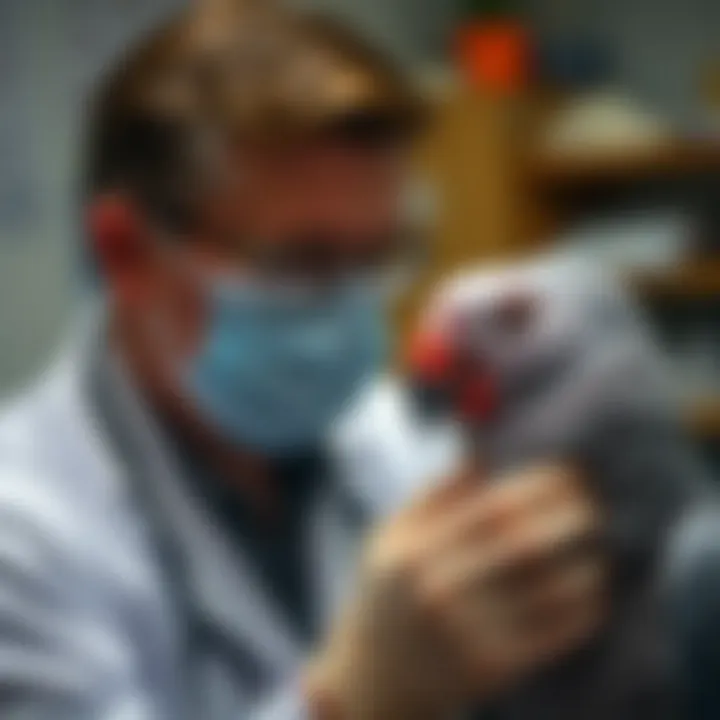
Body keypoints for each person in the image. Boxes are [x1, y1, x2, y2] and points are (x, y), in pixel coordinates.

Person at [0, 3, 611, 718]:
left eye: (377, 257)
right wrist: (346, 701)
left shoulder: (398, 447)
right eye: (302, 262)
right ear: (123, 251)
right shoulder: (24, 533)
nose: (350, 311)